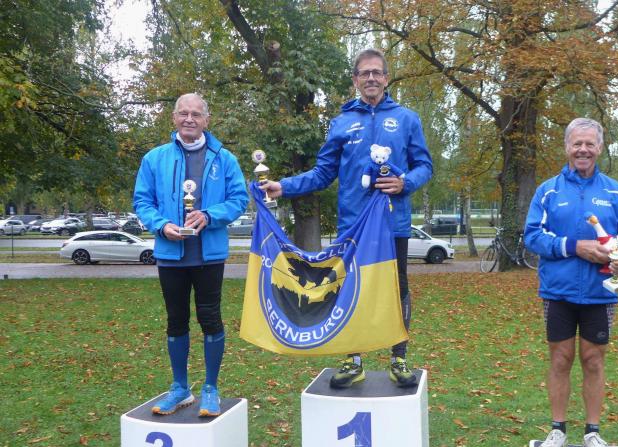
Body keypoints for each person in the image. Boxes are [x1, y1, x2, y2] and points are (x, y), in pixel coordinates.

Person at [259, 48, 433, 388]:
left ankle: (399, 358)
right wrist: (284, 186)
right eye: (364, 73)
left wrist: (405, 183)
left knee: (397, 289)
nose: (371, 78)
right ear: (355, 80)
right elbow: (323, 173)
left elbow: (424, 166)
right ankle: (353, 362)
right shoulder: (340, 122)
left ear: (386, 78)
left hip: (392, 224)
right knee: (348, 288)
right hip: (352, 226)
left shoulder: (407, 118)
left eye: (377, 72)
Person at [524, 118, 618, 447]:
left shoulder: (616, 192)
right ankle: (557, 432)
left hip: (600, 293)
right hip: (558, 291)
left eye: (590, 144)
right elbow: (532, 236)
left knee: (593, 360)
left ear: (600, 148)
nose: (583, 150)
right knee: (560, 359)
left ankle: (592, 434)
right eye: (577, 143)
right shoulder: (548, 191)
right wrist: (575, 246)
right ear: (567, 147)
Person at [133, 93, 248, 416]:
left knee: (210, 319)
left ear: (206, 120)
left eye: (196, 114)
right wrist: (161, 225)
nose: (189, 119)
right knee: (175, 321)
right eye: (183, 113)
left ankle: (211, 388)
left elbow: (239, 200)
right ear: (173, 118)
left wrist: (209, 216)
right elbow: (142, 201)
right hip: (171, 254)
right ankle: (180, 388)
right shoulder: (154, 158)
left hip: (209, 256)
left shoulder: (225, 159)